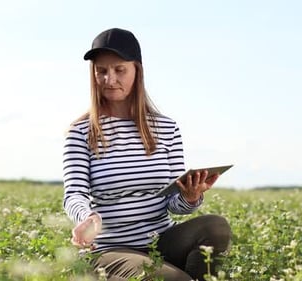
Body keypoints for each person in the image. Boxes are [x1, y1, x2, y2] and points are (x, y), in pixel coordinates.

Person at [62, 27, 231, 281]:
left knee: (216, 226)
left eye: (119, 70)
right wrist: (86, 217)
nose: (109, 79)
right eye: (101, 71)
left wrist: (190, 195)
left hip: (160, 241)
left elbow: (174, 202)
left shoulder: (166, 128)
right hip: (111, 249)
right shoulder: (80, 132)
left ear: (137, 70)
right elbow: (73, 193)